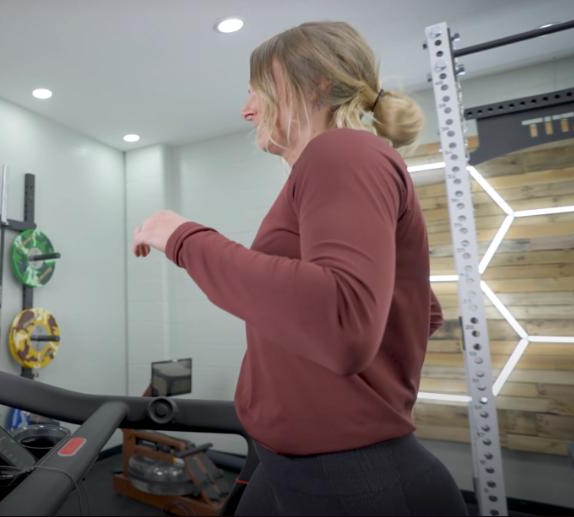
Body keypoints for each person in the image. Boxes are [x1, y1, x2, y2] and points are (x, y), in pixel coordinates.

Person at [132, 21, 467, 516]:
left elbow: (344, 318)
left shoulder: (343, 150)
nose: (247, 109)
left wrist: (183, 239)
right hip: (289, 463)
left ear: (317, 85)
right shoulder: (338, 163)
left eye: (256, 90)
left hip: (351, 481)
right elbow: (420, 310)